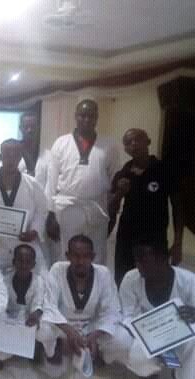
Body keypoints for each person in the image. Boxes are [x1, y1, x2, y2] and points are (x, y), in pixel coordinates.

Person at [116, 241, 195, 379]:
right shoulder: (131, 279)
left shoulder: (188, 281)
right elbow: (126, 316)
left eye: (145, 261)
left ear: (163, 259)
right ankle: (151, 369)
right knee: (133, 353)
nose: (139, 266)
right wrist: (152, 341)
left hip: (181, 338)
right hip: (147, 337)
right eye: (137, 260)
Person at [45, 99, 120, 265]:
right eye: (82, 115)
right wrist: (50, 214)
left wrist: (113, 214)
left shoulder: (109, 145)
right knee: (65, 255)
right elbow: (51, 181)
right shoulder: (61, 143)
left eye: (91, 116)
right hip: (67, 208)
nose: (86, 119)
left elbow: (115, 181)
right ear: (75, 116)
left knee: (96, 256)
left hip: (97, 208)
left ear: (97, 117)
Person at [40, 235, 126, 375]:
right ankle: (54, 350)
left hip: (91, 325)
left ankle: (100, 353)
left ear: (93, 256)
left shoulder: (103, 273)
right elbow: (49, 305)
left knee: (121, 337)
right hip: (64, 324)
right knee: (43, 329)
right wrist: (70, 332)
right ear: (67, 255)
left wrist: (95, 335)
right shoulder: (57, 270)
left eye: (86, 256)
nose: (80, 261)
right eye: (76, 256)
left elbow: (112, 310)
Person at [108, 128, 184, 287]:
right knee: (123, 281)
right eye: (128, 142)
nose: (133, 144)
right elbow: (111, 208)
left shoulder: (165, 170)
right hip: (127, 239)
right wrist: (120, 193)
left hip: (155, 238)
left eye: (137, 139)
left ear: (148, 141)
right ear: (125, 149)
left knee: (156, 282)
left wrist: (178, 243)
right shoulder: (123, 173)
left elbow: (178, 207)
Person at [0, 139, 47, 273]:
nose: (11, 159)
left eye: (15, 155)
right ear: (0, 156)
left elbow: (41, 211)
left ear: (20, 157)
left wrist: (34, 231)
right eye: (7, 155)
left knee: (42, 277)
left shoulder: (33, 184)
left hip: (24, 243)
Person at [0, 244, 46, 364]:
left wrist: (35, 315)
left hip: (29, 318)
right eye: (20, 261)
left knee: (44, 328)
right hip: (9, 319)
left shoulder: (39, 281)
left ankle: (35, 346)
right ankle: (6, 349)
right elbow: (0, 303)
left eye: (28, 262)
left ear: (33, 264)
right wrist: (6, 322)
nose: (24, 265)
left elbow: (38, 303)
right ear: (13, 262)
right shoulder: (4, 280)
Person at [18, 110, 59, 267]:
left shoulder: (49, 155)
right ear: (21, 128)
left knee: (43, 254)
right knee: (18, 251)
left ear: (38, 128)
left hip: (42, 212)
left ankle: (44, 280)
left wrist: (49, 214)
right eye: (26, 126)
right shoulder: (13, 153)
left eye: (33, 126)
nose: (29, 130)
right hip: (18, 209)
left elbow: (52, 186)